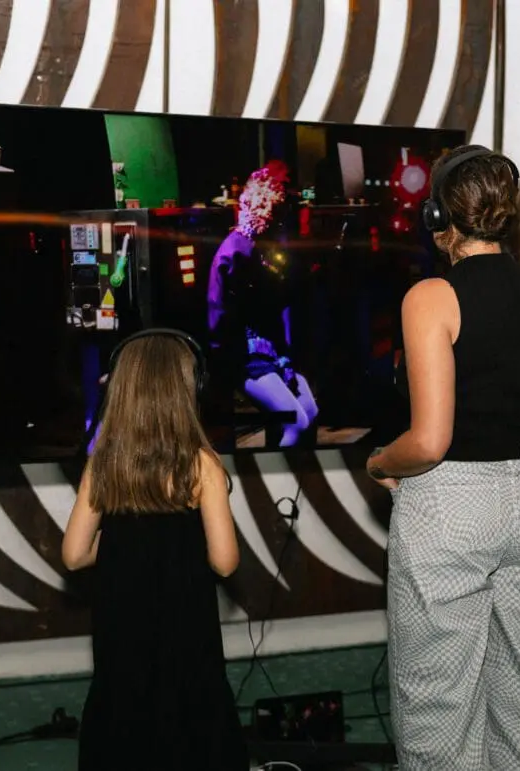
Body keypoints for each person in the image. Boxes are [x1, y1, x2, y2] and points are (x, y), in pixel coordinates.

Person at [366, 145, 520, 770]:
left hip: (449, 507)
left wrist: (379, 463)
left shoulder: (431, 297)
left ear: (439, 221)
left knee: (439, 706)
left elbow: (429, 441)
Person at [61, 333, 249, 771]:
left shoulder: (104, 461)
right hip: (189, 646)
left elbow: (73, 555)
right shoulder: (202, 465)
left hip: (121, 642)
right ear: (189, 390)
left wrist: (125, 545)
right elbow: (225, 561)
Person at [207, 161, 319, 447]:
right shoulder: (235, 253)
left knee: (310, 412)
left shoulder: (260, 249)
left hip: (272, 354)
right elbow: (218, 317)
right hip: (247, 359)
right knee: (297, 422)